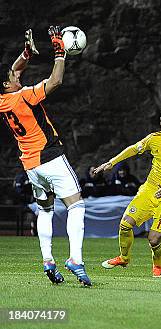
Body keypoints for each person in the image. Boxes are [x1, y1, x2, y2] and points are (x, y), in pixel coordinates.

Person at [0, 27, 91, 286]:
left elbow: (16, 70)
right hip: (50, 156)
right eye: (12, 76)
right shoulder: (23, 96)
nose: (17, 73)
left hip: (30, 165)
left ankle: (48, 260)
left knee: (46, 210)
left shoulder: (2, 100)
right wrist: (60, 53)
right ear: (8, 85)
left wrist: (26, 54)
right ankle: (76, 259)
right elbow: (55, 82)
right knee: (76, 206)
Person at [95, 110, 161, 277]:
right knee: (125, 225)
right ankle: (124, 258)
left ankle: (158, 266)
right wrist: (112, 162)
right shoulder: (153, 139)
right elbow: (133, 149)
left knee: (154, 239)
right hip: (149, 190)